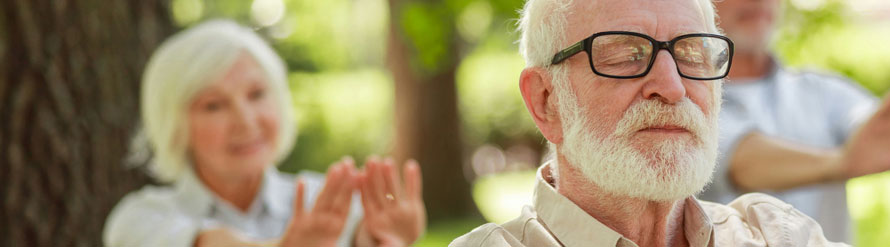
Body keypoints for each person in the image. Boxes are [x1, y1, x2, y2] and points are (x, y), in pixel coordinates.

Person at [450, 0, 846, 246]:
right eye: (625, 54)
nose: (672, 87)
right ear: (546, 101)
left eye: (691, 52)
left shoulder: (776, 235)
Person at [103, 20, 426, 247]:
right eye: (214, 106)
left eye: (257, 95)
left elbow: (367, 237)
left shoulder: (326, 201)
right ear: (174, 126)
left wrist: (383, 239)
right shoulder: (141, 219)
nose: (245, 121)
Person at [697, 0, 890, 242]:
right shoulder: (684, 96)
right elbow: (739, 159)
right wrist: (842, 161)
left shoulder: (822, 90)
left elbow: (875, 129)